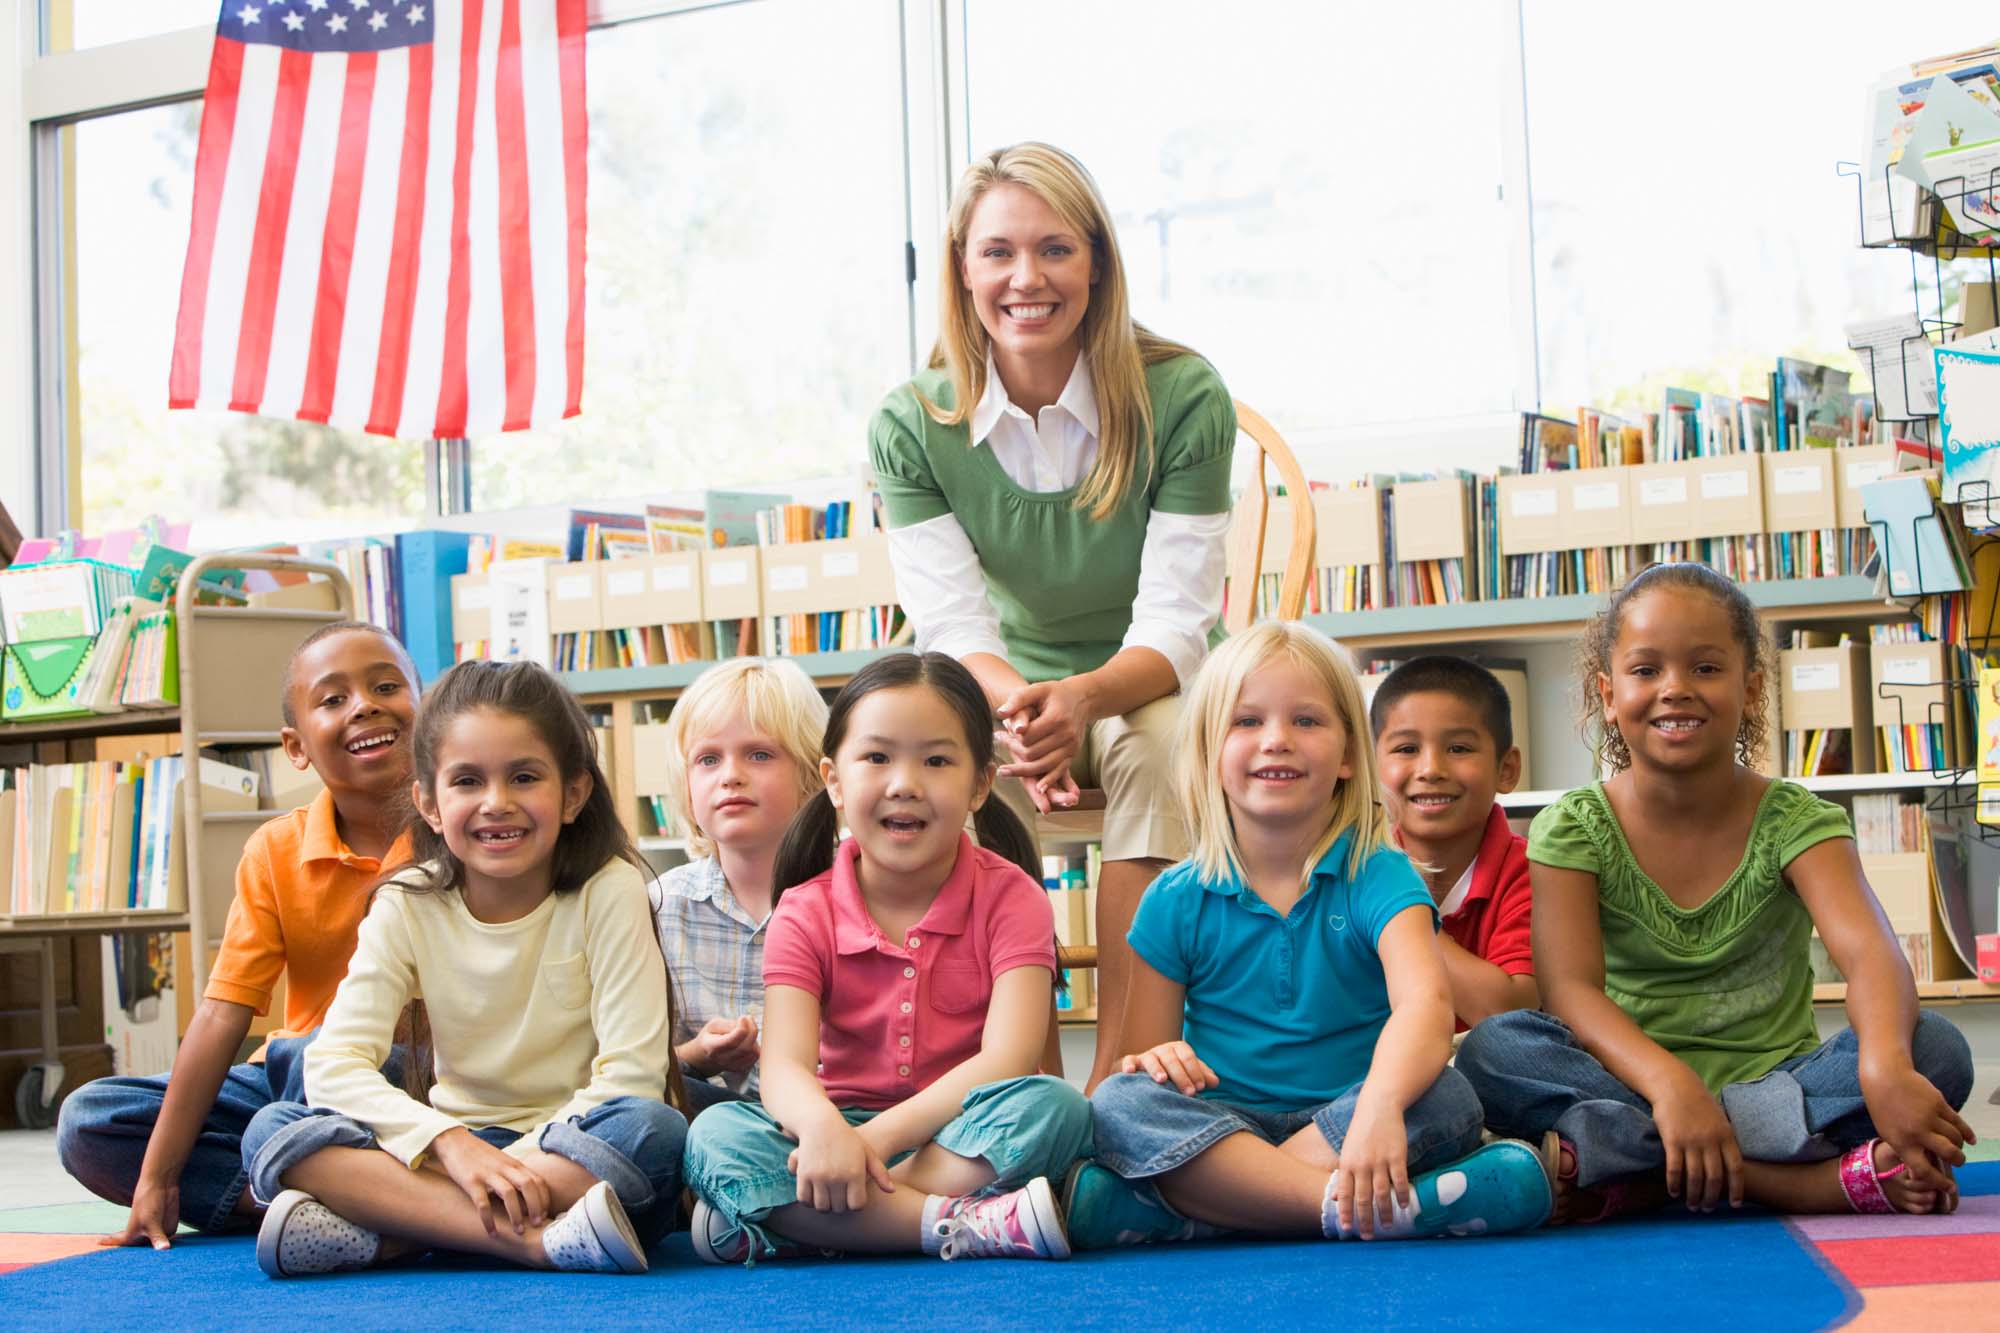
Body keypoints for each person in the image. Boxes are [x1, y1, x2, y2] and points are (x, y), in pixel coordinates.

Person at [870, 141, 1236, 1088]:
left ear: (1098, 264)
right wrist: (1024, 710)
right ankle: (1017, 1082)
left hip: (1150, 679)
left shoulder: (1182, 395)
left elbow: (1176, 624)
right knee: (944, 768)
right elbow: (952, 627)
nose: (1025, 278)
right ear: (962, 268)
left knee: (1154, 754)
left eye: (1055, 249)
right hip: (1001, 683)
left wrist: (1078, 699)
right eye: (996, 252)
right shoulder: (912, 422)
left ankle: (1119, 1069)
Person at [1457, 563, 1977, 1223]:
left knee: (1932, 1048)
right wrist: (1673, 1086)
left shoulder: (1797, 819)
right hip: (1634, 1086)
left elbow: (1871, 954)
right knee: (1494, 1048)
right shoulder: (1575, 825)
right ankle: (1791, 1182)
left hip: (1778, 1090)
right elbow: (1570, 993)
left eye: (1705, 668)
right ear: (1608, 693)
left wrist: (1880, 1066)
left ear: (1752, 687)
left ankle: (1642, 1174)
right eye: (1646, 671)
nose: (1675, 689)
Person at [1075, 622, 1552, 1248]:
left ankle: (1208, 1210)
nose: (1277, 741)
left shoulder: (1380, 873)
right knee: (1121, 1102)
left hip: (1354, 1116)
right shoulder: (1173, 899)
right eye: (1246, 722)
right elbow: (1143, 1058)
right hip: (1224, 1122)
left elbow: (1426, 1009)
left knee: (1447, 1093)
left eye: (1306, 721)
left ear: (1351, 755)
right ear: (1207, 752)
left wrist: (1379, 1107)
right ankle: (1363, 1208)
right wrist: (1157, 1060)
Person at [239, 661, 688, 1277]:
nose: (496, 804)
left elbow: (632, 1078)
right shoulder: (407, 901)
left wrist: (506, 1169)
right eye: (468, 781)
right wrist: (454, 1148)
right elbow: (335, 1064)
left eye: (524, 777)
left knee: (654, 1132)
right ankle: (531, 1242)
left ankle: (402, 1233)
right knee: (274, 1130)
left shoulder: (608, 888)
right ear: (428, 802)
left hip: (568, 1145)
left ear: (574, 795)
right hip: (449, 1149)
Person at [682, 652, 1093, 1264]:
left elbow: (1009, 1058)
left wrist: (864, 1148)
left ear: (981, 782)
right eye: (877, 758)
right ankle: (956, 1225)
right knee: (713, 1135)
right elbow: (785, 1068)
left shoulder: (1015, 898)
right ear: (834, 781)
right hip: (834, 1129)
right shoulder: (803, 909)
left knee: (1056, 1109)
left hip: (956, 1129)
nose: (905, 782)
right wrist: (825, 1132)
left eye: (936, 760)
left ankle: (822, 1221)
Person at [58, 622, 419, 1249]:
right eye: (332, 700)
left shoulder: (469, 832)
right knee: (90, 1121)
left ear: (431, 711)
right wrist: (158, 1176)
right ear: (296, 746)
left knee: (333, 1067)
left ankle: (357, 1198)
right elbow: (224, 1012)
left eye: (386, 686)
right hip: (294, 1078)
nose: (364, 704)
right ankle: (334, 1205)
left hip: (412, 1079)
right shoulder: (274, 850)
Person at [648, 657, 828, 1112]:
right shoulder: (662, 907)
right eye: (708, 759)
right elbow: (636, 1066)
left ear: (812, 775)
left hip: (838, 1113)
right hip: (713, 1123)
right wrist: (699, 1056)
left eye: (760, 754)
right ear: (686, 786)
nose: (731, 775)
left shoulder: (858, 896)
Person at [1370, 656, 1538, 1029]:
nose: (1430, 769)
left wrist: (1398, 908)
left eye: (1459, 749)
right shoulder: (1354, 869)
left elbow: (1511, 1014)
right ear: (1371, 768)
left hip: (1494, 1070)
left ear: (1506, 770)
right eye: (1406, 749)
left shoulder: (1533, 873)